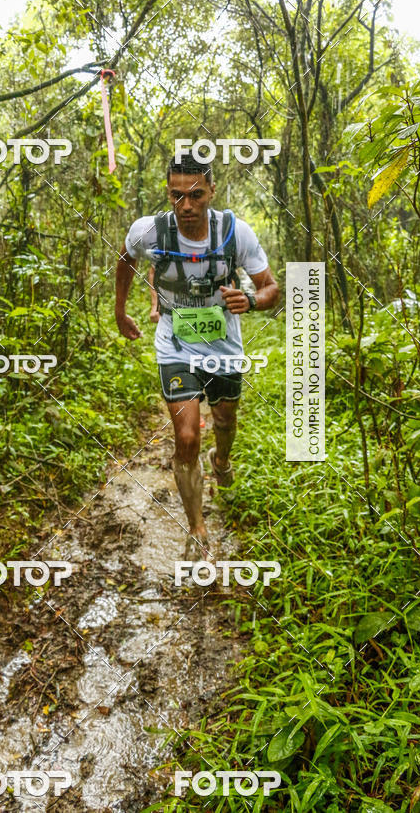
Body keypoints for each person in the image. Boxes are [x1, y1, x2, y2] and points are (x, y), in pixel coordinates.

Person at [115, 152, 279, 560]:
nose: (186, 206)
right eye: (176, 196)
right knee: (186, 436)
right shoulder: (149, 231)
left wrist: (252, 301)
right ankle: (197, 529)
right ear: (168, 193)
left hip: (223, 344)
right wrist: (120, 311)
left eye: (196, 195)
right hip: (175, 341)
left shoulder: (235, 232)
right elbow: (125, 258)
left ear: (211, 192)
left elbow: (271, 288)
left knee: (225, 421)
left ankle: (221, 460)